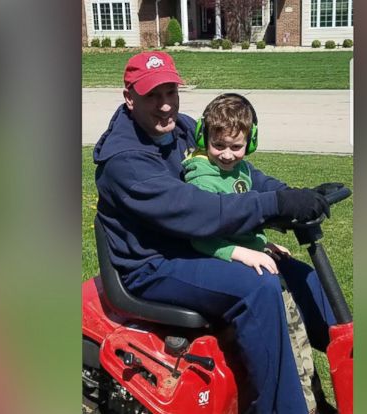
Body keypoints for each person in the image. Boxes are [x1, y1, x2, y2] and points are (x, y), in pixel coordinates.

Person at [93, 51, 334, 413]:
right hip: (153, 265)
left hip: (190, 246)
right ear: (129, 97)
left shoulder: (184, 129)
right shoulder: (124, 162)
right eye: (152, 96)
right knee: (258, 286)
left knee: (299, 275)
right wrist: (274, 207)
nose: (164, 107)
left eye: (170, 93)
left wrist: (289, 196)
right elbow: (199, 212)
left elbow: (240, 175)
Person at [183, 92, 319, 411]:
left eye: (236, 147)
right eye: (219, 146)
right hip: (228, 267)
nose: (228, 155)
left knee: (299, 342)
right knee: (289, 345)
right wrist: (241, 252)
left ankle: (310, 399)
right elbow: (201, 236)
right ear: (204, 137)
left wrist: (261, 243)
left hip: (257, 260)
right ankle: (299, 405)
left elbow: (244, 219)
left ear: (250, 142)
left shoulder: (240, 172)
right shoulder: (201, 178)